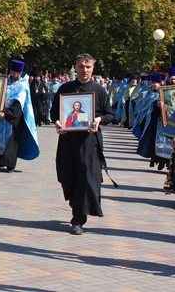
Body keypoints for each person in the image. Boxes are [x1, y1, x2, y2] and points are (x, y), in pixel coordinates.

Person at [51, 53, 115, 235]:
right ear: (75, 67)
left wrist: (99, 119)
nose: (84, 70)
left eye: (88, 67)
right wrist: (57, 122)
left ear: (93, 68)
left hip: (89, 143)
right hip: (68, 141)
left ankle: (78, 218)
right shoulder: (65, 89)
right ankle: (75, 205)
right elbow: (54, 113)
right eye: (81, 66)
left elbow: (111, 114)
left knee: (86, 179)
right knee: (68, 177)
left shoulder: (99, 90)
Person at [0, 59, 39, 173]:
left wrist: (6, 113)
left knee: (12, 140)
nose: (12, 75)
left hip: (13, 118)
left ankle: (10, 164)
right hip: (0, 114)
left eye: (14, 73)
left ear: (20, 74)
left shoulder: (22, 85)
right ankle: (1, 160)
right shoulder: (5, 81)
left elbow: (19, 104)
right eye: (11, 72)